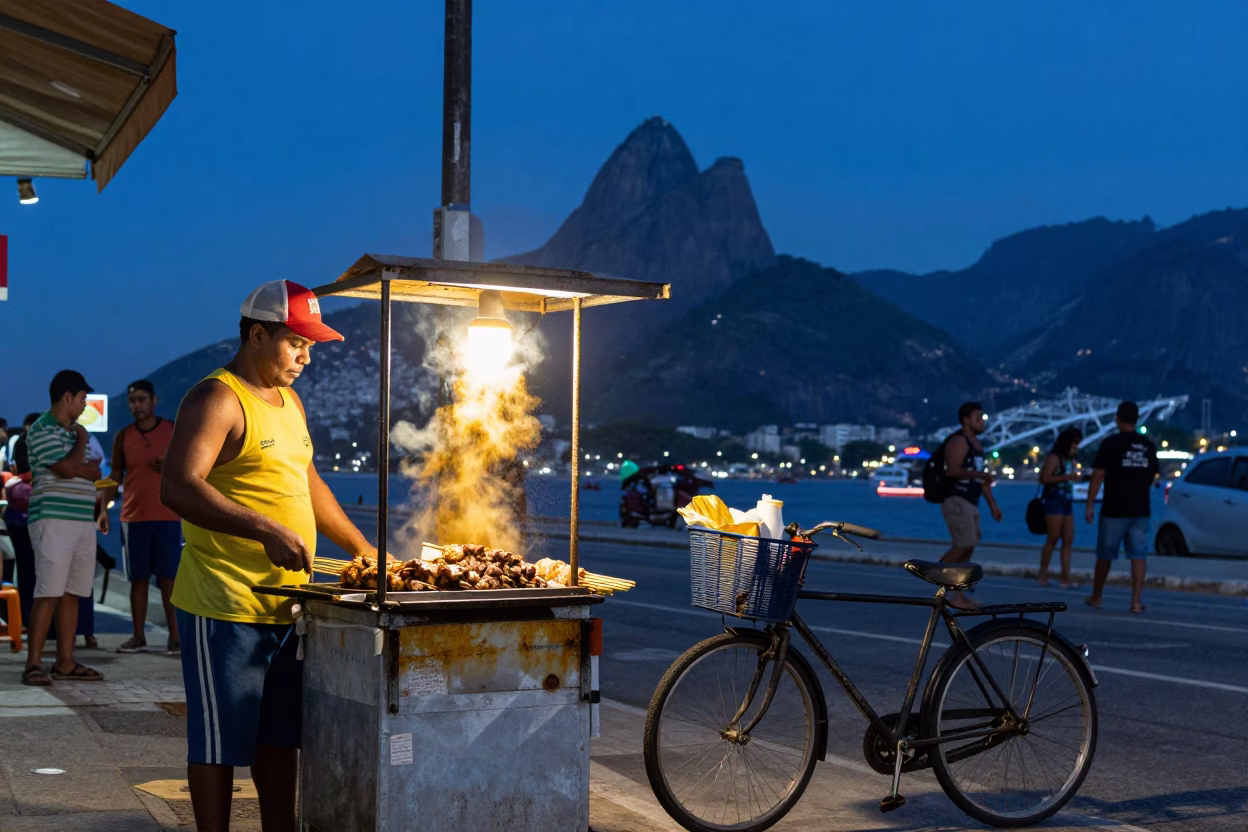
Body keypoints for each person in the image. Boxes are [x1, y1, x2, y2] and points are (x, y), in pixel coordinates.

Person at [162, 280, 376, 832]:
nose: (305, 357)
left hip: (288, 607)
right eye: (295, 343)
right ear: (257, 335)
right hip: (225, 604)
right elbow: (180, 487)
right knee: (218, 741)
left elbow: (309, 486)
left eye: (310, 347)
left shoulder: (290, 401)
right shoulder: (217, 397)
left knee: (278, 737)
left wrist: (362, 549)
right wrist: (265, 530)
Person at [21, 370, 107, 686]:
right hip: (53, 519)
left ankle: (65, 662)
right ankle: (33, 664)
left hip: (81, 519)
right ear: (68, 396)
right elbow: (71, 468)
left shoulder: (70, 432)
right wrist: (81, 446)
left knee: (73, 592)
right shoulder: (43, 428)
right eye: (83, 399)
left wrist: (78, 468)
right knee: (48, 591)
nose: (85, 406)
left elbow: (94, 471)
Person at [100, 380, 183, 655]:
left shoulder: (173, 431)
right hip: (134, 518)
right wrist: (103, 509)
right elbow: (115, 476)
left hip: (168, 516)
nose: (137, 405)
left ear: (154, 401)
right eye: (132, 401)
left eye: (142, 400)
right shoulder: (124, 436)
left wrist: (170, 465)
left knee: (169, 578)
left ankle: (175, 637)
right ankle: (138, 636)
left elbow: (190, 468)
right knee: (138, 578)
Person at [1084, 402, 1159, 614]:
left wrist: (1089, 504)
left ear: (1118, 419)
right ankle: (1135, 602)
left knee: (1105, 555)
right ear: (1136, 420)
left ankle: (1096, 596)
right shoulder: (1148, 446)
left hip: (1114, 509)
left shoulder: (1110, 443)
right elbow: (1153, 475)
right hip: (1141, 508)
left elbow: (1098, 475)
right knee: (1138, 556)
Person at [940, 401, 1002, 610]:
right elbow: (953, 471)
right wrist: (980, 474)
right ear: (966, 420)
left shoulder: (977, 445)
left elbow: (981, 481)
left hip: (971, 501)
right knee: (964, 544)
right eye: (978, 417)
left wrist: (993, 505)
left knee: (969, 545)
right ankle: (936, 576)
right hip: (956, 499)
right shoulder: (959, 442)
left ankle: (958, 595)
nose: (982, 421)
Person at [1037, 427, 1084, 588]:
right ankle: (1042, 574)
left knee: (1068, 539)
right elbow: (1043, 478)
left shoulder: (1070, 461)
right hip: (1053, 501)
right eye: (1075, 444)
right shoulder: (1054, 459)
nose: (1076, 447)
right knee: (1053, 538)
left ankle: (1066, 576)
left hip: (1066, 502)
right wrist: (1066, 477)